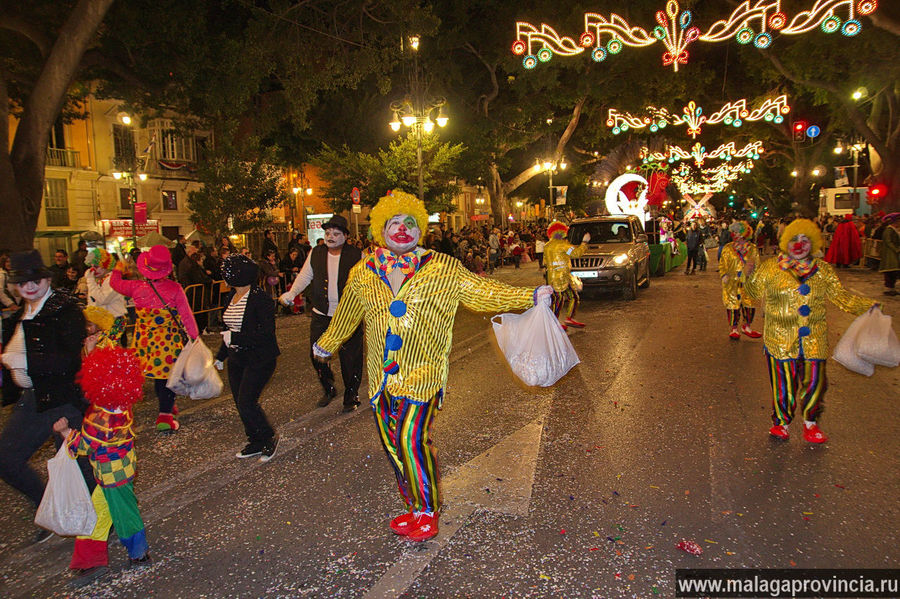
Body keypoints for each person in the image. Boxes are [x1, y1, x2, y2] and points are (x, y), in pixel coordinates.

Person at [313, 191, 554, 542]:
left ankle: (428, 510)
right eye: (393, 223)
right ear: (380, 229)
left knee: (411, 439)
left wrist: (528, 296)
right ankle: (412, 505)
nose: (401, 229)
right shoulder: (364, 272)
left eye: (409, 222)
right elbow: (348, 314)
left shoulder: (442, 267)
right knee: (392, 444)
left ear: (420, 229)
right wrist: (327, 344)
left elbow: (481, 292)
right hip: (381, 378)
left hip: (423, 374)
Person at [745, 219, 876, 443]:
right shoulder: (770, 267)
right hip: (780, 338)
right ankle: (781, 422)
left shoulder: (823, 270)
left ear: (812, 243)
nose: (799, 244)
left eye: (805, 240)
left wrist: (869, 306)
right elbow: (752, 293)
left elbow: (841, 298)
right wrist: (749, 274)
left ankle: (810, 423)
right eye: (795, 239)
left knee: (815, 381)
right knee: (783, 383)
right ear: (786, 242)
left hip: (814, 338)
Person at [0, 250, 93, 543]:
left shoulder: (65, 309)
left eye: (34, 278)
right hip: (32, 398)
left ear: (46, 277)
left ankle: (98, 522)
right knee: (6, 459)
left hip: (63, 399)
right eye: (21, 281)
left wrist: (24, 362)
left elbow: (69, 361)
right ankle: (51, 509)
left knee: (79, 465)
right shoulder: (22, 312)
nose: (28, 285)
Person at [53, 346, 152, 586]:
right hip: (122, 470)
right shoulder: (122, 407)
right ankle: (90, 560)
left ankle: (138, 554)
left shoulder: (100, 418)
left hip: (111, 477)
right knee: (99, 514)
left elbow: (84, 445)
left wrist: (65, 432)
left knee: (123, 515)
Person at [110, 245, 200, 432]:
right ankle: (165, 416)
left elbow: (115, 283)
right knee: (167, 378)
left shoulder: (135, 287)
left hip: (144, 342)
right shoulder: (175, 289)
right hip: (167, 342)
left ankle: (162, 406)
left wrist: (119, 266)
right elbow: (186, 315)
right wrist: (194, 337)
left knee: (153, 377)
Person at [280, 215, 364, 412]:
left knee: (350, 358)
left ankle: (351, 395)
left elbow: (368, 283)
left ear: (345, 236)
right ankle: (328, 387)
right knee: (316, 354)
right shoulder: (316, 252)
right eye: (327, 233)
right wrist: (292, 293)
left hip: (348, 317)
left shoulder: (357, 255)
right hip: (321, 314)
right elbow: (305, 276)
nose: (330, 237)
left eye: (336, 233)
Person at [215, 254, 280, 461]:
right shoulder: (229, 298)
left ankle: (268, 437)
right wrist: (220, 355)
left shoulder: (261, 299)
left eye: (228, 272)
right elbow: (228, 330)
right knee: (240, 402)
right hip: (237, 357)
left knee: (247, 401)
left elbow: (266, 333)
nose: (224, 276)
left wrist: (235, 337)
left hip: (260, 358)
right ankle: (255, 440)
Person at [718, 221, 761, 340]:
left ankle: (747, 326)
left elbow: (757, 265)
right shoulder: (728, 248)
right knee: (733, 305)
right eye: (733, 232)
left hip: (748, 282)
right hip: (732, 283)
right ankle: (734, 328)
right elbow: (722, 264)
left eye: (737, 232)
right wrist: (724, 275)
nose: (734, 234)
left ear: (744, 234)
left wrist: (756, 279)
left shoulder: (752, 249)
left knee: (749, 304)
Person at [544, 221, 590, 329]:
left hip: (552, 278)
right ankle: (568, 318)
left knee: (558, 300)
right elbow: (576, 253)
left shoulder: (547, 246)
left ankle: (554, 322)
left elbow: (545, 262)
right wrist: (584, 243)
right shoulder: (564, 245)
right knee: (573, 297)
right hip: (563, 277)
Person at [84, 249, 127, 345]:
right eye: (91, 267)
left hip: (115, 320)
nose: (93, 270)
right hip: (103, 321)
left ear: (106, 265)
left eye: (96, 266)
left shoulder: (112, 280)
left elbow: (103, 300)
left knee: (107, 348)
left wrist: (90, 281)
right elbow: (93, 302)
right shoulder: (100, 280)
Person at [878, 212, 900, 296]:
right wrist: (896, 249)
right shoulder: (889, 230)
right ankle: (889, 288)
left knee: (894, 271)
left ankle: (892, 288)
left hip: (893, 254)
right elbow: (888, 241)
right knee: (890, 271)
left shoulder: (894, 230)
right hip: (890, 254)